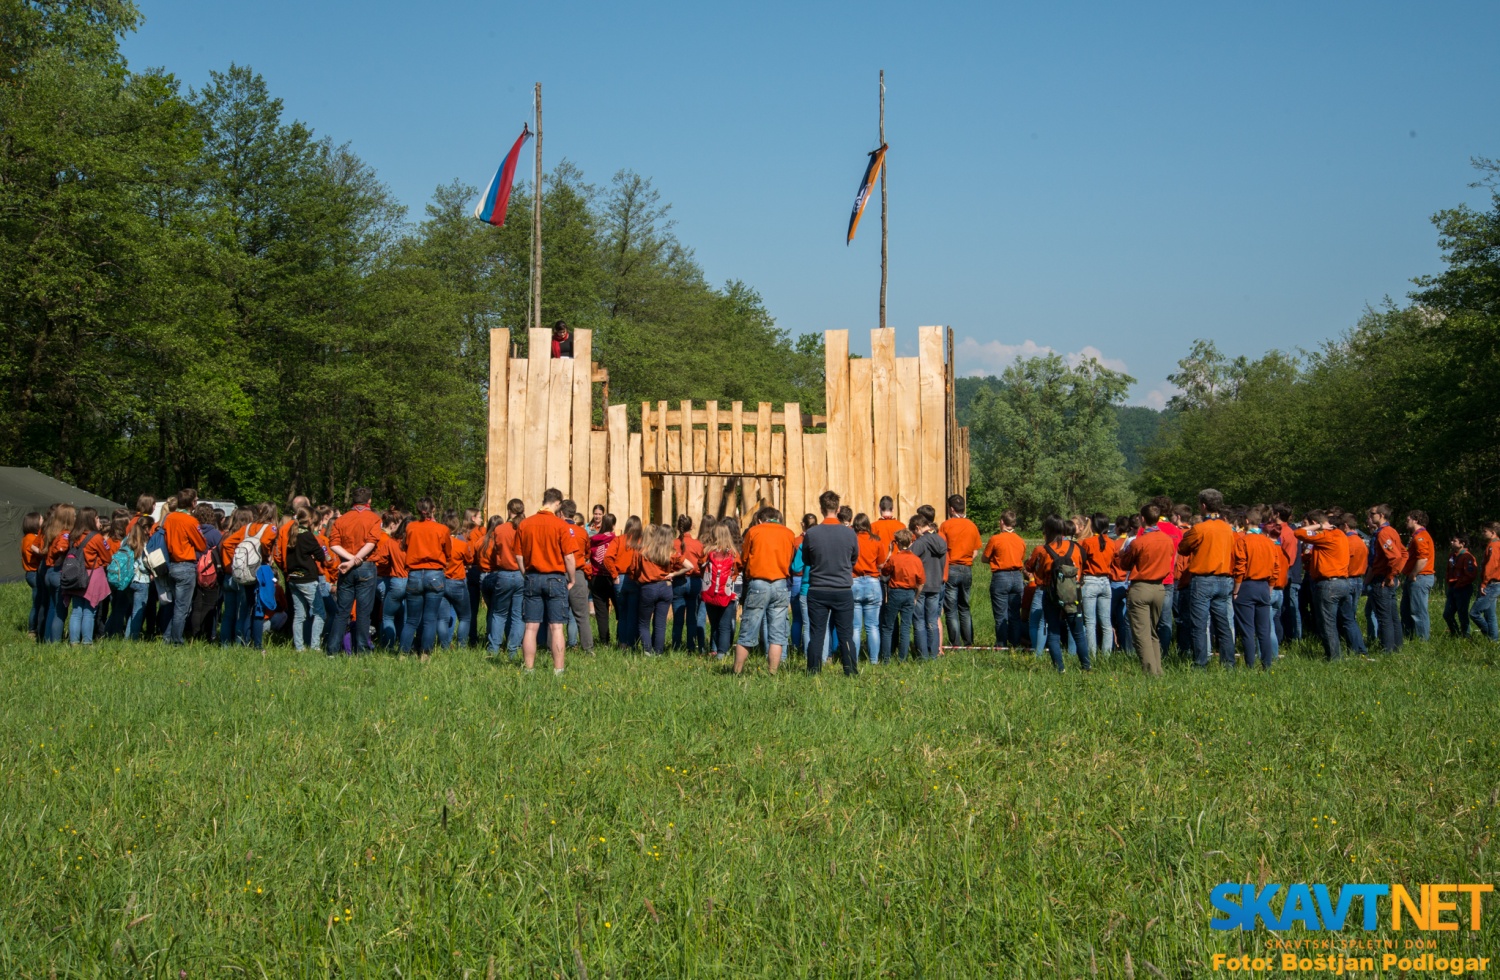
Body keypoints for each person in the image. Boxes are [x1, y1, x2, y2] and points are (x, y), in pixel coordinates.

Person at [518, 488, 575, 673]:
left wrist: (525, 573)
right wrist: (572, 578)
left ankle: (528, 669)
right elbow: (569, 557)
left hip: (532, 576)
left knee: (531, 627)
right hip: (556, 578)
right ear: (558, 503)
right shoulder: (560, 525)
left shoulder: (525, 524)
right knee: (556, 627)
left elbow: (518, 555)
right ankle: (558, 671)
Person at [801, 491, 859, 675]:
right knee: (845, 634)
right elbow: (854, 558)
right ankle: (850, 671)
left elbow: (807, 560)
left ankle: (813, 671)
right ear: (838, 508)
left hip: (818, 588)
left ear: (821, 509)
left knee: (817, 633)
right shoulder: (849, 534)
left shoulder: (811, 533)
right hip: (842, 588)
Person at [1176, 489, 1235, 668]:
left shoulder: (1199, 529)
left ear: (1203, 505)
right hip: (1224, 579)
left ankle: (1201, 663)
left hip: (1203, 580)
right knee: (1223, 623)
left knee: (1199, 624)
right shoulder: (1227, 528)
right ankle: (1228, 663)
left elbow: (1182, 548)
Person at [733, 507, 796, 674]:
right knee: (777, 633)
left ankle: (737, 671)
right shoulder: (789, 533)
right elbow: (790, 558)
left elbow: (744, 557)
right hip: (781, 584)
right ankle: (773, 672)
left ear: (760, 519)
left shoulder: (754, 531)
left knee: (748, 629)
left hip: (758, 583)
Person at [1119, 504, 1176, 676]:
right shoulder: (1167, 539)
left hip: (1141, 587)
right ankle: (1158, 669)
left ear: (1143, 519)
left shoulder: (1140, 542)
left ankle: (1150, 673)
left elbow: (1125, 564)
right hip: (1160, 588)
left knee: (1141, 634)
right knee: (1152, 632)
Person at [327, 487, 383, 654]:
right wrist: (356, 560)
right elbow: (371, 542)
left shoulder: (341, 519)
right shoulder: (374, 518)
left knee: (342, 611)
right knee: (363, 612)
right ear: (369, 501)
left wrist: (349, 560)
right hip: (365, 566)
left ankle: (332, 649)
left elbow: (333, 543)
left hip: (345, 566)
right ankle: (362, 650)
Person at [1031, 515, 1090, 673]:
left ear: (1047, 530)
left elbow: (1039, 573)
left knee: (1053, 632)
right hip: (1072, 595)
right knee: (1078, 633)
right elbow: (1083, 567)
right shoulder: (1075, 548)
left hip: (1051, 595)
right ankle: (1086, 666)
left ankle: (1060, 668)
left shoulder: (1044, 551)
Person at [1294, 510, 1354, 661]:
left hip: (1329, 584)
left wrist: (1320, 526)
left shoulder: (1326, 535)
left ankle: (1334, 658)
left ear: (1315, 523)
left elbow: (1299, 533)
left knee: (1328, 623)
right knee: (1347, 620)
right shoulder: (1341, 534)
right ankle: (1356, 649)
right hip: (1344, 582)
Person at [1231, 505, 1283, 670]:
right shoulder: (1269, 543)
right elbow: (1276, 568)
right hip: (1264, 586)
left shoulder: (1243, 541)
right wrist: (1270, 588)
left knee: (1247, 630)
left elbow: (1240, 567)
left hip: (1247, 586)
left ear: (1246, 521)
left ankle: (1250, 665)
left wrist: (1236, 590)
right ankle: (1267, 664)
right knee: (1264, 630)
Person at [400, 499, 451, 657]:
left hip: (415, 573)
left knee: (411, 619)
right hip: (434, 573)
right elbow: (448, 552)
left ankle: (403, 654)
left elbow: (404, 546)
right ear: (433, 509)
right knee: (430, 619)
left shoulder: (411, 527)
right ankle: (425, 655)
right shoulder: (441, 529)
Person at [160, 490, 208, 645]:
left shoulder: (169, 518)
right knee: (182, 608)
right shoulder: (190, 521)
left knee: (174, 605)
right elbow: (201, 545)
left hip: (171, 564)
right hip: (186, 565)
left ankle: (167, 637)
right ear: (192, 503)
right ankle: (176, 641)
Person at [284, 507, 333, 653]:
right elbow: (321, 556)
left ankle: (299, 647)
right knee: (320, 613)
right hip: (307, 579)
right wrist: (325, 556)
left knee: (299, 615)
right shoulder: (308, 536)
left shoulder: (292, 532)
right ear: (311, 520)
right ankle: (315, 646)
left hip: (293, 578)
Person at [631, 524, 684, 655]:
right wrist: (673, 574)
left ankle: (647, 650)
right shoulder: (669, 552)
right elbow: (688, 565)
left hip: (648, 587)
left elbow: (634, 570)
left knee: (644, 622)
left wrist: (637, 579)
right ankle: (659, 651)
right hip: (666, 587)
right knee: (660, 623)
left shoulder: (643, 551)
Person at [483, 500, 526, 658]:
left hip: (504, 573)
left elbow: (496, 550)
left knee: (499, 613)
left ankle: (493, 649)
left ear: (509, 510)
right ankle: (513, 650)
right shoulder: (525, 527)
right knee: (517, 615)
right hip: (521, 574)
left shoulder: (500, 529)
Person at [63, 507, 111, 644]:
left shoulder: (73, 536)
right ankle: (87, 642)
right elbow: (107, 557)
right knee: (89, 611)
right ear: (91, 519)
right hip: (92, 576)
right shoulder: (96, 537)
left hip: (75, 575)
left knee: (76, 611)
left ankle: (73, 642)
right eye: (96, 518)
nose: (99, 521)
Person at [1363, 504, 1407, 653]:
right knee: (1393, 616)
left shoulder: (1384, 533)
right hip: (1387, 577)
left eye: (1373, 513)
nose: (1370, 515)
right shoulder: (1392, 531)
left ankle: (1387, 650)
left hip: (1382, 578)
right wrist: (1396, 574)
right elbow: (1404, 553)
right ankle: (1396, 647)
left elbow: (1395, 556)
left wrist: (1390, 576)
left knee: (1384, 618)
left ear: (1381, 515)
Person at [938, 495, 981, 647]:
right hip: (967, 569)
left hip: (951, 568)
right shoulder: (972, 526)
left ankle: (955, 643)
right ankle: (968, 642)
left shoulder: (945, 525)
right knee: (965, 607)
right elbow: (975, 551)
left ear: (951, 509)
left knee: (951, 608)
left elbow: (941, 549)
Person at [879, 529, 925, 662]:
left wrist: (889, 552)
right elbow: (921, 582)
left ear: (897, 543)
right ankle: (902, 659)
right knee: (905, 627)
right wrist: (916, 597)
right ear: (911, 542)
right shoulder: (916, 560)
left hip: (895, 592)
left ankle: (886, 658)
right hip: (910, 593)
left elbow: (885, 572)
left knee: (888, 627)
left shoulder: (894, 558)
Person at [1078, 513, 1119, 658]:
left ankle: (1092, 656)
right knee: (1106, 623)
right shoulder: (1112, 543)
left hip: (1090, 581)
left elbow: (1080, 561)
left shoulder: (1087, 542)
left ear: (1093, 525)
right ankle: (1106, 656)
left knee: (1090, 622)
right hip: (1105, 582)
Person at [983, 511, 1026, 649]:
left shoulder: (996, 539)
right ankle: (1015, 644)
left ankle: (1001, 644)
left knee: (1001, 615)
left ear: (1002, 522)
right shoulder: (1020, 540)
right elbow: (1021, 558)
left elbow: (984, 558)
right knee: (1015, 614)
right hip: (1017, 577)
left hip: (1001, 576)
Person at [909, 515, 948, 659]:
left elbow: (909, 561)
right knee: (932, 620)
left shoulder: (920, 543)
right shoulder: (941, 540)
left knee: (919, 621)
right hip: (936, 584)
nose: (915, 535)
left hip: (921, 586)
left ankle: (922, 654)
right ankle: (934, 653)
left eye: (914, 532)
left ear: (918, 528)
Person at [850, 514, 886, 664]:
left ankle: (854, 660)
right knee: (873, 626)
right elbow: (881, 563)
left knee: (855, 627)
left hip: (855, 581)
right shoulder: (876, 540)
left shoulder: (852, 539)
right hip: (872, 582)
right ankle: (874, 660)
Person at [700, 522, 740, 656]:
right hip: (727, 594)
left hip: (710, 593)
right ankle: (722, 653)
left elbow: (701, 568)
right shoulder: (734, 554)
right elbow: (737, 571)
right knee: (725, 625)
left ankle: (715, 649)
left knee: (714, 623)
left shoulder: (707, 552)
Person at [371, 510, 409, 650]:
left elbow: (379, 559)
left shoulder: (392, 542)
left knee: (388, 616)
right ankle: (404, 644)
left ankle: (388, 645)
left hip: (396, 580)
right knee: (405, 617)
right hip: (413, 581)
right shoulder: (414, 543)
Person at [560, 501, 594, 652]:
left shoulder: (557, 529)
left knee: (554, 617)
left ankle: (551, 648)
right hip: (578, 573)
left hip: (559, 573)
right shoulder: (582, 532)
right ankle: (588, 649)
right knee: (582, 615)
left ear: (561, 513)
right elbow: (588, 553)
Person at [604, 517, 643, 649]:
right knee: (633, 612)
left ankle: (622, 643)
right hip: (635, 579)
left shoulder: (618, 540)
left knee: (622, 613)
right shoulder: (641, 541)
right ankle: (632, 643)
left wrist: (614, 575)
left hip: (619, 579)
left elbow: (607, 558)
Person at [438, 512, 475, 648]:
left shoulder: (439, 544)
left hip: (441, 580)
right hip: (457, 581)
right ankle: (462, 645)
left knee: (442, 618)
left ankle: (444, 645)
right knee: (465, 617)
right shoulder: (461, 544)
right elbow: (470, 560)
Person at [670, 514, 704, 653]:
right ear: (692, 526)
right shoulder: (698, 544)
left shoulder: (672, 543)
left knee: (677, 618)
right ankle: (691, 646)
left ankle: (676, 646)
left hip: (678, 581)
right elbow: (702, 563)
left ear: (678, 527)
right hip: (695, 581)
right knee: (692, 617)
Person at [1401, 510, 1436, 641]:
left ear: (1415, 520)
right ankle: (1408, 637)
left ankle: (1422, 641)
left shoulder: (1420, 536)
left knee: (1418, 611)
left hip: (1420, 577)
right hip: (1414, 577)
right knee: (1406, 611)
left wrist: (1413, 574)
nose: (1406, 521)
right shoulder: (1415, 536)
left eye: (1408, 519)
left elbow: (1423, 559)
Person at [586, 513, 617, 646]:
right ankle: (623, 639)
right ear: (614, 525)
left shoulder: (592, 540)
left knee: (601, 612)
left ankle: (604, 641)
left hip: (597, 577)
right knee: (620, 610)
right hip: (613, 578)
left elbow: (587, 556)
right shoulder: (616, 540)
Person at [1444, 534, 1478, 638]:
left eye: (1455, 541)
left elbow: (1470, 575)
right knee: (1447, 614)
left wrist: (1459, 584)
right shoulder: (1452, 555)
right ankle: (1455, 633)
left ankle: (1466, 636)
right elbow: (1449, 570)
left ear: (1462, 544)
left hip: (1463, 588)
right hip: (1452, 587)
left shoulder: (1467, 557)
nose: (1452, 542)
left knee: (1462, 613)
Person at [1473, 523, 1500, 642]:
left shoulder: (1494, 546)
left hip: (1491, 584)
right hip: (1493, 583)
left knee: (1474, 613)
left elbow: (1491, 566)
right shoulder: (1493, 545)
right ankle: (1494, 641)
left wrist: (1484, 583)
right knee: (1490, 615)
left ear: (1493, 533)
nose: (1483, 534)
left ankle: (1488, 633)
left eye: (1485, 531)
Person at [20, 511, 44, 640]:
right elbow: (38, 552)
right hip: (34, 573)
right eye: (41, 519)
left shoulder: (29, 537)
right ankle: (33, 630)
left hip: (33, 573)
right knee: (38, 602)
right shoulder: (31, 538)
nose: (43, 520)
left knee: (38, 601)